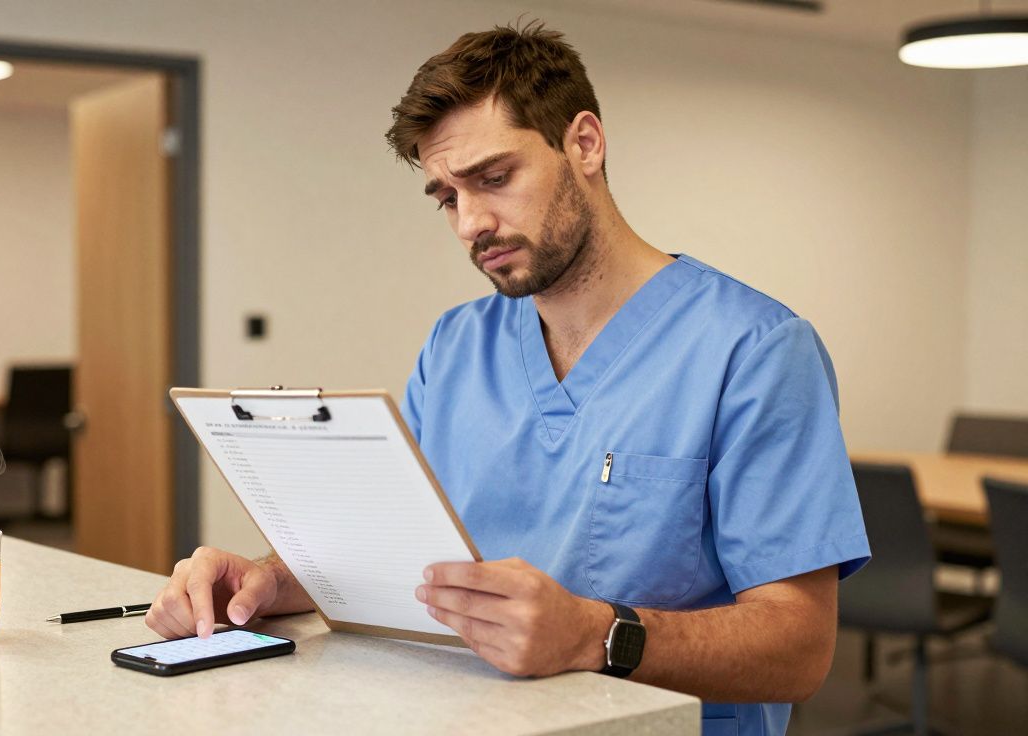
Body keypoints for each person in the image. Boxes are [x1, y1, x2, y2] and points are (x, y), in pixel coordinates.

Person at [146, 21, 869, 736]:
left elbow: (799, 649)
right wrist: (270, 577)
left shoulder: (755, 351)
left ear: (584, 144)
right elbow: (389, 551)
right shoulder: (457, 346)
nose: (470, 223)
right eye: (447, 197)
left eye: (494, 178)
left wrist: (595, 634)